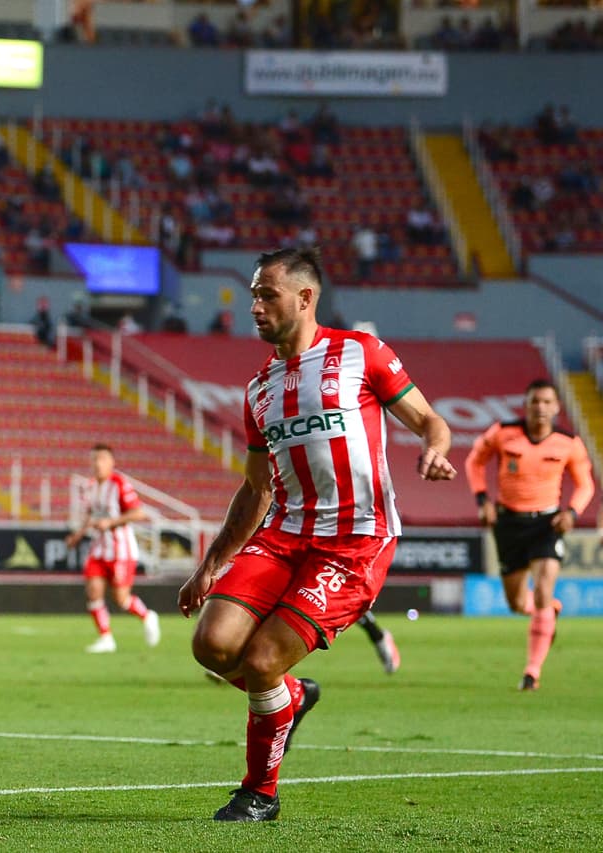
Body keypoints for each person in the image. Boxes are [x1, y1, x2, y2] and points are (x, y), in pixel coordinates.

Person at [177, 248, 456, 822]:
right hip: (283, 534)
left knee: (262, 660)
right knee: (212, 646)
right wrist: (210, 563)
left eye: (267, 295)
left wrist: (435, 447)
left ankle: (260, 794)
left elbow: (430, 419)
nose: (255, 307)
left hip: (354, 541)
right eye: (253, 295)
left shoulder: (361, 352)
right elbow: (255, 488)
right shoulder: (259, 389)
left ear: (305, 298)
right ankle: (291, 697)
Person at [463, 379, 594, 691]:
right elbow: (474, 462)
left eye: (547, 402)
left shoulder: (568, 442)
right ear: (526, 404)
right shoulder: (503, 432)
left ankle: (532, 672)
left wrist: (571, 512)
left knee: (544, 590)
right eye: (535, 401)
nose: (540, 407)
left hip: (547, 524)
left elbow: (585, 484)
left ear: (557, 407)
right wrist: (482, 500)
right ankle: (548, 612)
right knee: (517, 603)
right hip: (509, 522)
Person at [65, 444, 160, 654]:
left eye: (102, 459)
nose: (97, 464)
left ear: (111, 462)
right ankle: (106, 638)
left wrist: (110, 522)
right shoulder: (89, 487)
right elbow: (89, 516)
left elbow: (138, 513)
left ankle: (147, 616)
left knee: (121, 599)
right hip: (99, 549)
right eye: (94, 459)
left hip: (121, 551)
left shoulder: (119, 484)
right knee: (93, 592)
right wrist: (76, 537)